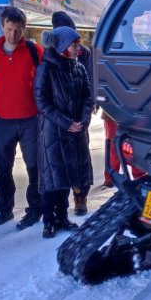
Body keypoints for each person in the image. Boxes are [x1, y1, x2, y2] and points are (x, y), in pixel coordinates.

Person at [0, 7, 44, 229]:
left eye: (17, 30)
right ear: (2, 26)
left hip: (31, 121)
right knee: (3, 168)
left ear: (24, 29)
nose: (13, 34)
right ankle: (4, 210)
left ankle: (35, 210)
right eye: (9, 29)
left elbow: (47, 82)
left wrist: (42, 110)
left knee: (34, 167)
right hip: (4, 122)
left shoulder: (35, 51)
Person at [34, 26, 93, 238]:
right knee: (52, 180)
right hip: (53, 133)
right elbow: (42, 102)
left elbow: (88, 97)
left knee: (67, 177)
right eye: (74, 44)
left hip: (74, 132)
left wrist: (83, 121)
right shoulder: (46, 69)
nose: (79, 48)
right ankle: (48, 221)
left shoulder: (79, 68)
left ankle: (63, 217)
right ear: (61, 47)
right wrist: (66, 122)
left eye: (78, 44)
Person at [50, 11, 92, 216]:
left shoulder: (83, 53)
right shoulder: (49, 57)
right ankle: (61, 205)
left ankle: (80, 197)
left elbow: (88, 88)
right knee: (62, 160)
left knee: (81, 159)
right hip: (59, 120)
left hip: (80, 117)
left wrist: (84, 117)